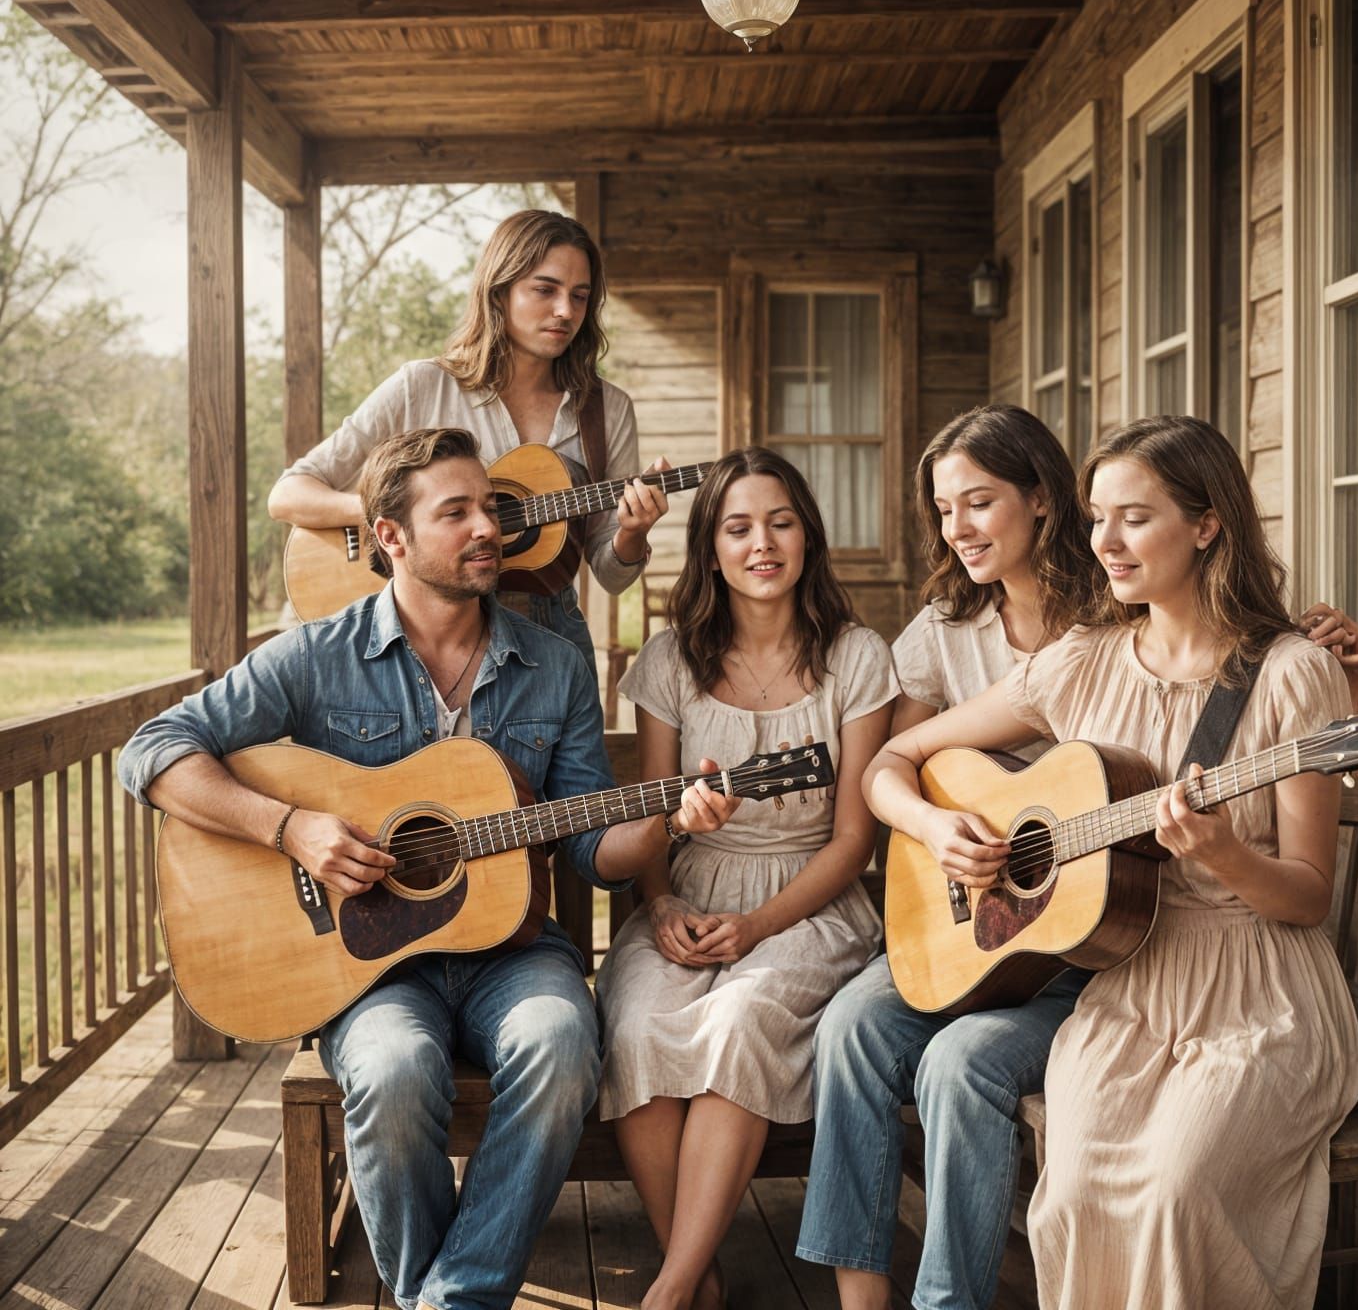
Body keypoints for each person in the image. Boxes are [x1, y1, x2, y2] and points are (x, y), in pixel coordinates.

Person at [121, 427, 737, 1310]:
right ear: (391, 537)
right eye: (458, 513)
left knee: (563, 1044)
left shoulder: (555, 668)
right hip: (371, 970)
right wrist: (289, 827)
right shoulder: (316, 655)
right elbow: (152, 749)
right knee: (392, 1068)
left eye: (490, 506)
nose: (488, 527)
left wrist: (668, 825)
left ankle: (447, 1301)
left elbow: (591, 851)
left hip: (514, 954)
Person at [862, 415, 1358, 1310]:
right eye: (1097, 518)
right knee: (1074, 1192)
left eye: (1133, 518)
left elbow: (1309, 896)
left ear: (1208, 524)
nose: (1104, 542)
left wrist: (1226, 856)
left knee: (1174, 1189)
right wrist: (938, 833)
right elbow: (891, 765)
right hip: (1128, 990)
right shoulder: (1080, 663)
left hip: (1259, 995)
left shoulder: (1293, 674)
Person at [797, 404, 1098, 1310]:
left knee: (954, 1060)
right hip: (973, 924)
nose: (956, 528)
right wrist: (933, 829)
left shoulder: (1117, 620)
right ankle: (861, 1301)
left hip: (1092, 939)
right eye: (942, 509)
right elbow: (885, 774)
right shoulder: (944, 629)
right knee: (850, 1027)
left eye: (979, 502)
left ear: (1041, 500)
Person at [595, 447, 899, 1310]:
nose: (761, 544)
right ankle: (701, 1274)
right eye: (738, 528)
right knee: (639, 1026)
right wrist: (658, 907)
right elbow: (654, 813)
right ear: (711, 547)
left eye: (780, 523)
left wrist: (760, 927)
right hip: (687, 894)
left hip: (811, 901)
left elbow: (854, 841)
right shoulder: (670, 659)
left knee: (738, 1020)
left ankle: (671, 1291)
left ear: (808, 536)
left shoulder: (856, 656)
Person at [268, 209, 668, 674]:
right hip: (426, 634)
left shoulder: (607, 410)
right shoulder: (422, 386)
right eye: (545, 290)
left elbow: (610, 574)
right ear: (499, 292)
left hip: (548, 635)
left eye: (579, 297)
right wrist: (401, 516)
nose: (565, 311)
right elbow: (288, 495)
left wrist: (633, 532)